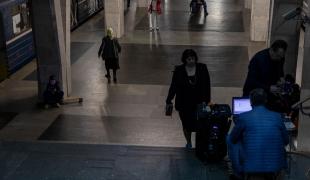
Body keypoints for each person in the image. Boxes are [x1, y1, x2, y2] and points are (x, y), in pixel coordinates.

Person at [227, 88, 289, 180]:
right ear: (266, 101)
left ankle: (237, 172)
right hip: (276, 167)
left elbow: (232, 139)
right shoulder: (277, 116)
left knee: (229, 139)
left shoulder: (243, 117)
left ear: (250, 102)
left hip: (251, 167)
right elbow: (286, 141)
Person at [166, 49, 211, 149]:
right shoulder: (179, 70)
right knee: (186, 125)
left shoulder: (202, 68)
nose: (191, 61)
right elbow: (174, 86)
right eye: (189, 59)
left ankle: (199, 144)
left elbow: (207, 85)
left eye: (193, 59)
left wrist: (207, 101)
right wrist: (169, 99)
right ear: (185, 60)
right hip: (184, 103)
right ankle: (189, 142)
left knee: (200, 124)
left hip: (199, 102)